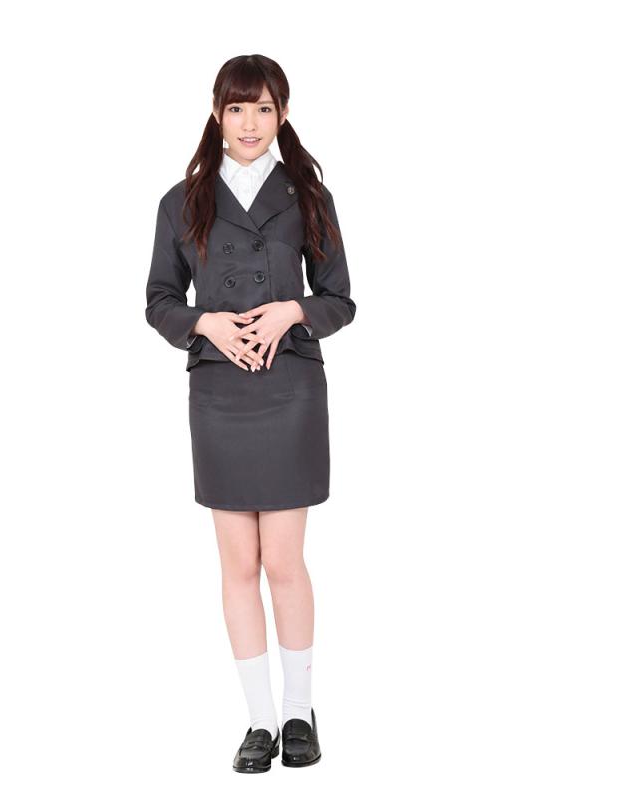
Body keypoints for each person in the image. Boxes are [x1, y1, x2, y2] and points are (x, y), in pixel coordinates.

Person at [144, 54, 356, 772]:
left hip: (289, 387)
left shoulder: (308, 196)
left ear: (282, 115)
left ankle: (299, 710)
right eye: (236, 108)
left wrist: (293, 310)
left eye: (263, 108)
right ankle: (260, 720)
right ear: (216, 113)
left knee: (283, 560)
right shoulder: (182, 201)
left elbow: (340, 298)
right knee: (238, 562)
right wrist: (204, 323)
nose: (249, 122)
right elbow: (159, 301)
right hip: (219, 393)